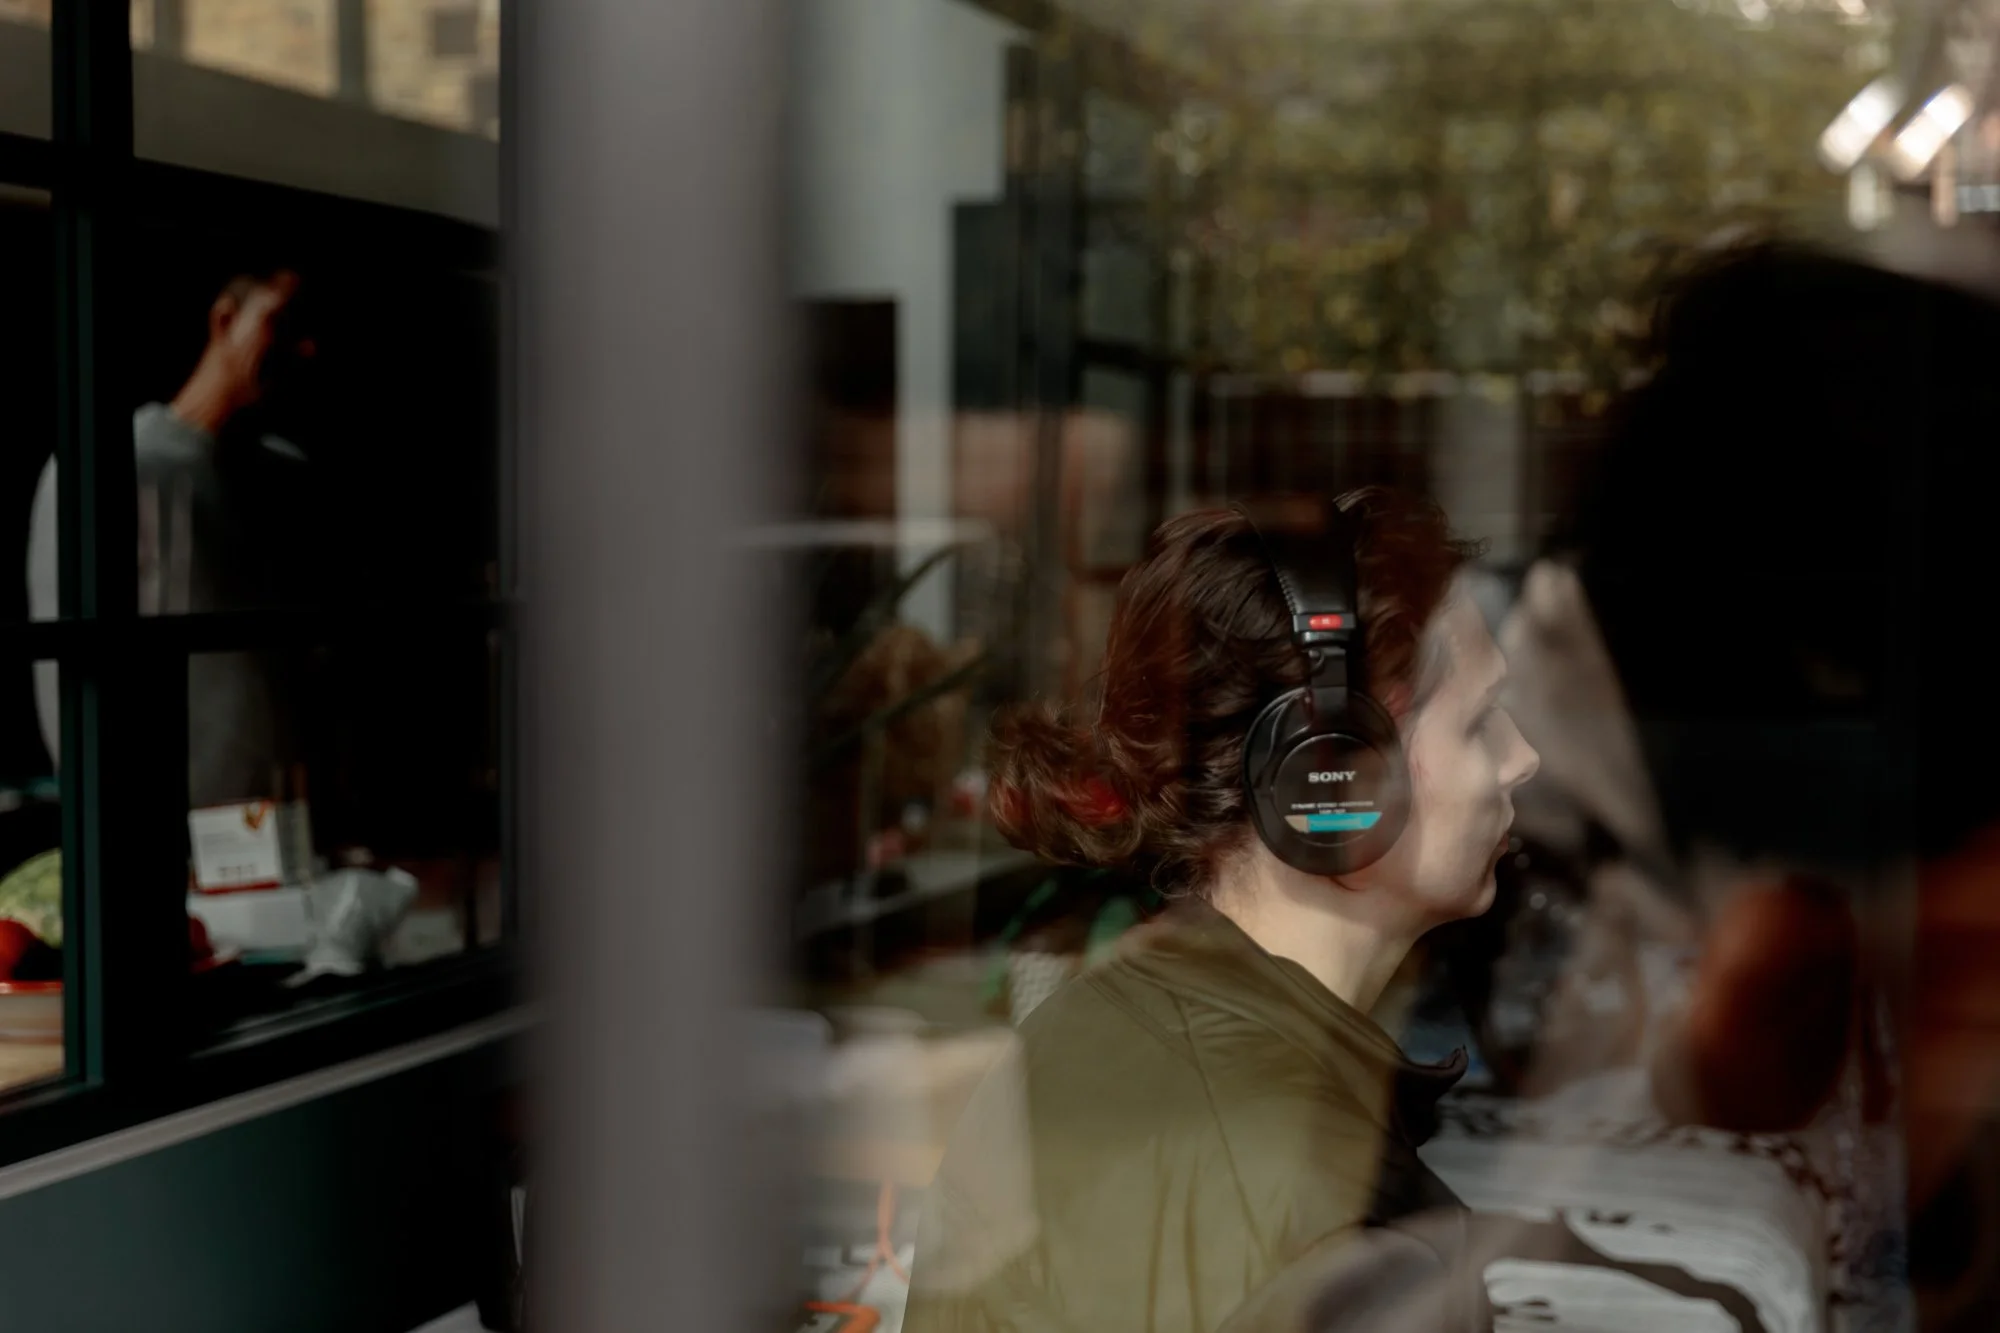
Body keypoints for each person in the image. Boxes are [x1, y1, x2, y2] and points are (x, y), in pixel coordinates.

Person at [904, 487, 1540, 1332]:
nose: (1522, 758)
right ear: (1335, 775)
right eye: (1482, 722)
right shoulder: (1350, 1230)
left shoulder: (1082, 1028)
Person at [27, 269, 318, 807]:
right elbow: (66, 670)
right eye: (281, 321)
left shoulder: (284, 478)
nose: (303, 347)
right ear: (225, 319)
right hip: (165, 824)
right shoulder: (115, 467)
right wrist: (118, 820)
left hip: (287, 823)